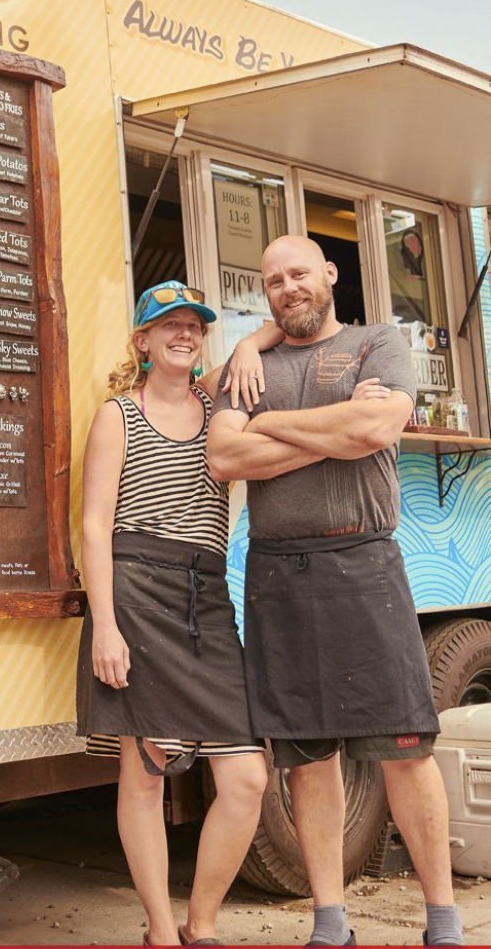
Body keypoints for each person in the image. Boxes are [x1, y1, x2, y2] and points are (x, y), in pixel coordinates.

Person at [207, 235, 461, 947]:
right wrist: (335, 427)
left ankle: (442, 921)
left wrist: (275, 429)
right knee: (307, 758)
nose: (287, 287)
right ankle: (330, 923)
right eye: (272, 280)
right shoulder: (245, 364)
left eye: (298, 273)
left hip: (365, 561)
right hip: (278, 573)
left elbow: (379, 424)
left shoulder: (378, 343)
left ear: (329, 274)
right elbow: (225, 454)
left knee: (406, 746)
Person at [77, 280, 281, 946]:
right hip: (136, 597)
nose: (183, 333)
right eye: (168, 323)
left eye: (195, 325)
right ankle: (163, 932)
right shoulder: (118, 414)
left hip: (206, 598)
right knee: (145, 772)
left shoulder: (218, 404)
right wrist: (104, 626)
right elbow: (94, 528)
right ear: (142, 340)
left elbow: (283, 322)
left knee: (248, 777)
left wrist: (250, 338)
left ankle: (203, 924)